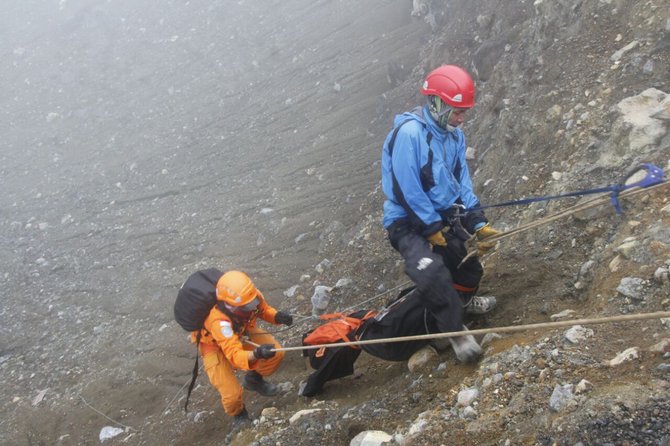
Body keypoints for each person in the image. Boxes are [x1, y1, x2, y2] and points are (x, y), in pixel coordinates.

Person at [380, 64, 502, 362]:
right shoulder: (410, 134)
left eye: (463, 112)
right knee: (431, 271)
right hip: (407, 222)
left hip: (440, 216)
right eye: (456, 111)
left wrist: (477, 221)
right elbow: (407, 189)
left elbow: (462, 183)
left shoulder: (455, 136)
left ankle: (461, 303)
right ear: (436, 103)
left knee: (468, 266)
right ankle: (456, 333)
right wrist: (431, 227)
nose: (461, 118)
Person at [192, 270, 294, 428]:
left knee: (276, 354)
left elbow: (262, 310)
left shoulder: (250, 296)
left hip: (239, 331)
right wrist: (257, 353)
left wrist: (276, 316)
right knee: (231, 395)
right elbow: (234, 355)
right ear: (230, 305)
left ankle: (253, 380)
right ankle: (239, 414)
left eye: (252, 302)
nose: (252, 306)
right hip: (214, 345)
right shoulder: (219, 322)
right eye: (247, 306)